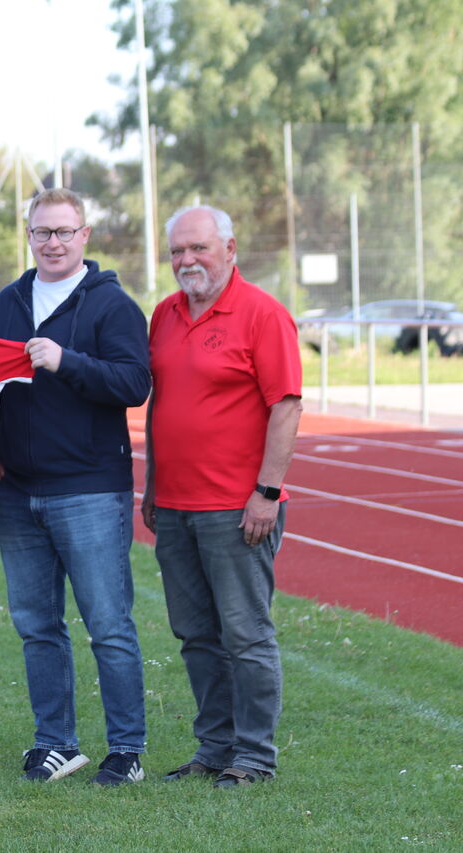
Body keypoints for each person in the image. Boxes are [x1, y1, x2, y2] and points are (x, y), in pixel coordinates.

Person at [0, 188, 151, 786]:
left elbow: (135, 383)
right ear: (29, 235)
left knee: (108, 624)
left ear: (84, 235)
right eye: (42, 232)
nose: (52, 243)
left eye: (63, 232)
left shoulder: (112, 305)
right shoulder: (8, 303)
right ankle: (55, 742)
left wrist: (67, 361)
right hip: (17, 491)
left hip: (89, 489)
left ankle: (127, 748)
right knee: (37, 626)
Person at [142, 205, 302, 788]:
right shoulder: (164, 314)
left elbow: (286, 406)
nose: (187, 260)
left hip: (238, 509)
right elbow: (162, 406)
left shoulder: (262, 313)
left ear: (230, 249)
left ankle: (254, 756)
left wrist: (266, 492)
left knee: (246, 634)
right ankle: (215, 748)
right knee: (196, 635)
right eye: (177, 251)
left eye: (199, 248)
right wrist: (153, 484)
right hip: (175, 507)